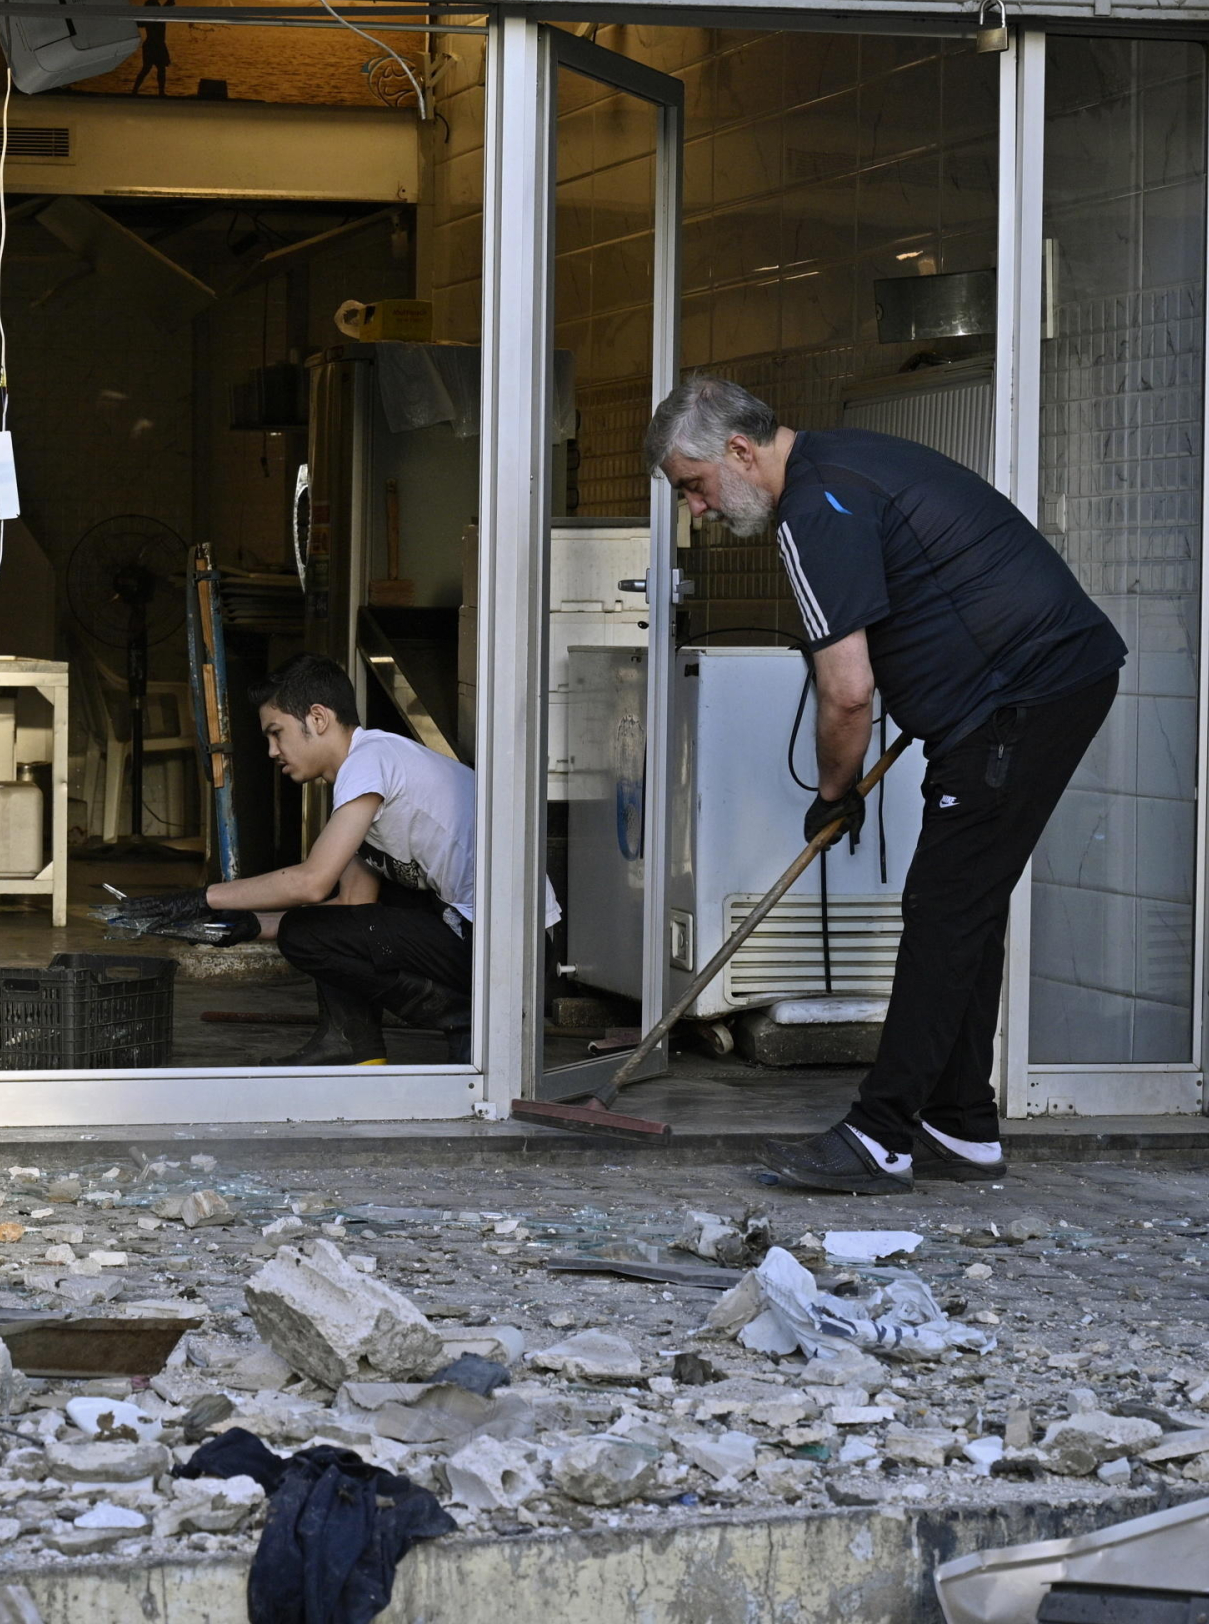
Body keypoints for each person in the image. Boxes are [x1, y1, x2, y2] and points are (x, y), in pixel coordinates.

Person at [643, 376, 1126, 1194]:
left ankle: (880, 1135)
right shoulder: (838, 468)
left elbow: (847, 691)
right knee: (962, 905)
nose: (697, 509)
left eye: (692, 486)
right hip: (1032, 687)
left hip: (1020, 696)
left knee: (946, 907)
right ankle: (959, 1123)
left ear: (738, 450)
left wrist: (835, 794)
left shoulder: (813, 507)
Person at [106, 653, 554, 1063]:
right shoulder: (362, 781)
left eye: (276, 733)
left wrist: (204, 898)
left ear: (318, 718)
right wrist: (241, 927)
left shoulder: (370, 758)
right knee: (313, 928)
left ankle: (464, 1015)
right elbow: (350, 910)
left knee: (306, 929)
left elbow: (312, 883)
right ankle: (354, 1046)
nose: (271, 751)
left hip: (510, 954)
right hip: (476, 939)